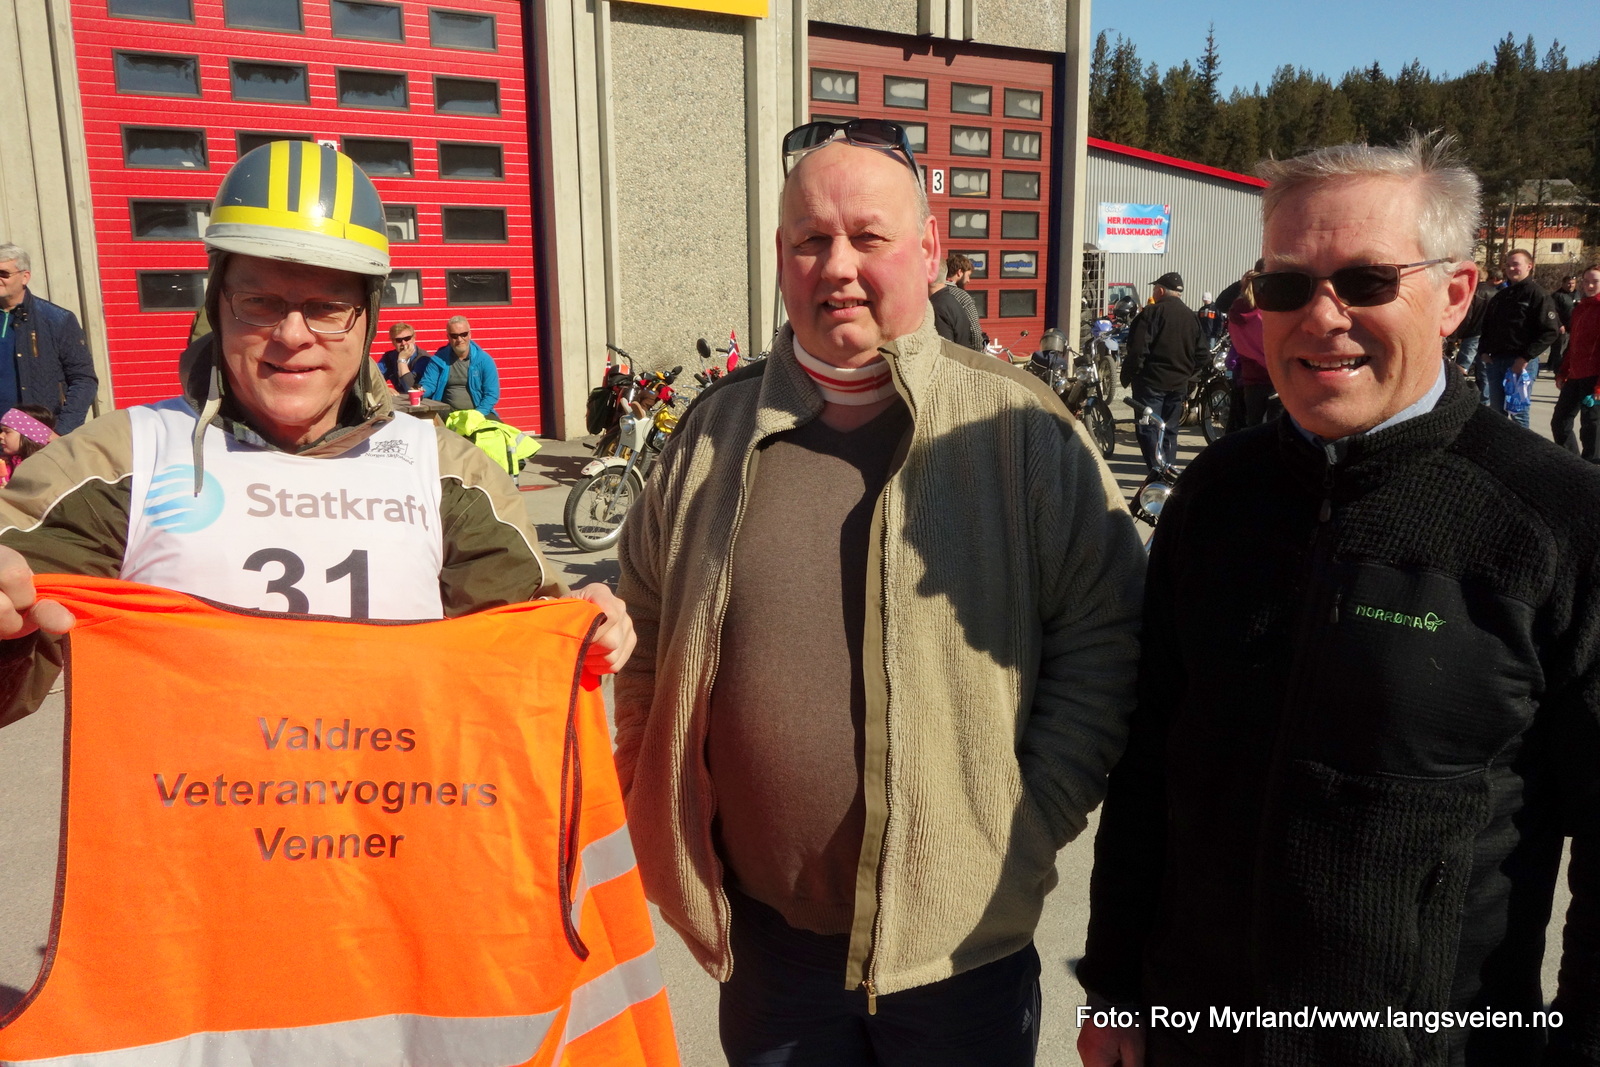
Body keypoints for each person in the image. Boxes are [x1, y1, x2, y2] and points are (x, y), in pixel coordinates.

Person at [616, 118, 1145, 1066]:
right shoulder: (710, 435)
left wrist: (1018, 824)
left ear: (931, 252)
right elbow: (646, 634)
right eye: (812, 240)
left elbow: (1105, 645)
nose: (839, 266)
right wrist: (653, 800)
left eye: (870, 236)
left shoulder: (1025, 431)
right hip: (770, 956)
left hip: (961, 956)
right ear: (781, 256)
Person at [1077, 134, 1600, 1067]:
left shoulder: (1559, 522)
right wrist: (1116, 985)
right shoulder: (1215, 492)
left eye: (1364, 281)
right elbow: (1152, 757)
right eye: (1285, 284)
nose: (1321, 317)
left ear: (1454, 294)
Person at [0, 140, 633, 703]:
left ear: (368, 319)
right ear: (217, 307)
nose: (293, 336)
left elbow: (520, 659)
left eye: (328, 306)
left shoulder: (447, 471)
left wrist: (582, 632)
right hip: (183, 826)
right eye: (259, 303)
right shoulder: (116, 461)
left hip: (388, 822)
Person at [0, 243, 98, 434]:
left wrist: (61, 431)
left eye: (4, 274)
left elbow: (84, 379)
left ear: (24, 277)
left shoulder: (56, 320)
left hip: (35, 436)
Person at [1120, 271, 1204, 474]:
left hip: (1151, 383)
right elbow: (1203, 354)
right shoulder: (1191, 317)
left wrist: (1129, 375)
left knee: (1149, 429)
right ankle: (1169, 471)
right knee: (1170, 431)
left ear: (1160, 290)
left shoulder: (1151, 313)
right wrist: (1188, 374)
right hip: (1178, 385)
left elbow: (1138, 350)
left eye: (1154, 289)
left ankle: (1157, 473)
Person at [1479, 248, 1559, 427]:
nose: (1511, 268)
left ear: (1529, 266)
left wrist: (1525, 358)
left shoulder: (1537, 295)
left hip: (1520, 364)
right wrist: (1483, 352)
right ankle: (1498, 451)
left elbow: (1550, 331)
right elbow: (1486, 327)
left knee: (1518, 415)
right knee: (1496, 414)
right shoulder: (1501, 296)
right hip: (1495, 362)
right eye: (1508, 265)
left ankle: (1521, 454)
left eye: (1516, 264)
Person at [1551, 265, 1600, 460]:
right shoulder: (1580, 309)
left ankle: (1593, 468)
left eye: (1595, 281)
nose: (1589, 285)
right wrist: (1563, 371)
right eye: (1586, 280)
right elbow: (1574, 344)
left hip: (1594, 377)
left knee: (1591, 426)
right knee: (1560, 422)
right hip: (1575, 374)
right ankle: (1571, 462)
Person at [419, 315, 500, 417]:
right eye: (454, 336)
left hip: (478, 411)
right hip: (448, 412)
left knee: (499, 431)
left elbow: (491, 394)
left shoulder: (484, 360)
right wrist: (421, 391)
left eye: (464, 334)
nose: (459, 339)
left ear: (470, 335)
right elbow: (429, 384)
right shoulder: (438, 359)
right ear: (448, 337)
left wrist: (477, 414)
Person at [1225, 266, 1271, 427]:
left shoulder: (1234, 314)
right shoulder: (1264, 314)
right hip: (1272, 374)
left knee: (1254, 425)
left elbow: (1237, 346)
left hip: (1250, 375)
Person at [929, 253, 984, 351]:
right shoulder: (962, 296)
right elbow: (975, 331)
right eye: (968, 276)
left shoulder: (932, 294)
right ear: (959, 272)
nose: (969, 280)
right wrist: (978, 355)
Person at [0, 405, 56, 486]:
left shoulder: (44, 468)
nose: (1, 436)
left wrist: (12, 493)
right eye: (2, 431)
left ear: (29, 436)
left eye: (7, 431)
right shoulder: (6, 463)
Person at [377, 321, 423, 392]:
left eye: (407, 338)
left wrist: (402, 360)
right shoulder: (389, 357)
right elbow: (374, 378)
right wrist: (384, 389)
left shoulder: (423, 358)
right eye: (398, 340)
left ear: (414, 338)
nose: (403, 343)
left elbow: (411, 388)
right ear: (392, 342)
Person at [1552, 273, 1579, 378]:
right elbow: (1553, 312)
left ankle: (1567, 371)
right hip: (1562, 328)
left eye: (1573, 283)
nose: (1571, 285)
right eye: (1568, 283)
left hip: (1574, 328)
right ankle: (1557, 371)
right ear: (1563, 283)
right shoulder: (1557, 296)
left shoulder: (1578, 294)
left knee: (1570, 351)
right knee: (1558, 350)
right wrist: (1559, 324)